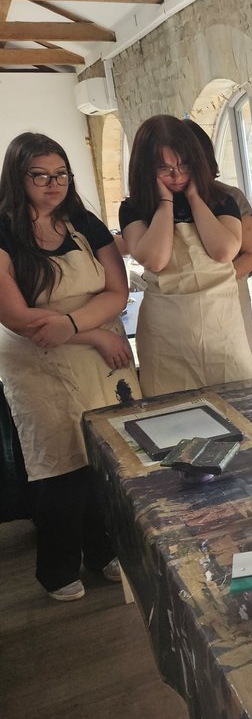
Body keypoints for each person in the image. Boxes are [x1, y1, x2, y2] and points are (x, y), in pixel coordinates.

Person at [0, 132, 142, 601]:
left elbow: (117, 291)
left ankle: (105, 549)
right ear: (18, 178)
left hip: (100, 354)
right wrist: (90, 332)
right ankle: (57, 568)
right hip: (40, 358)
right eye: (40, 176)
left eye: (60, 174)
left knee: (108, 459)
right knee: (61, 465)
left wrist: (77, 324)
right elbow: (17, 316)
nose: (53, 184)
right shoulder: (4, 230)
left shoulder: (83, 221)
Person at [120, 115, 252, 395]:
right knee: (173, 407)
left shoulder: (222, 200)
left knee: (238, 400)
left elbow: (223, 251)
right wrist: (165, 203)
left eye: (184, 165)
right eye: (165, 168)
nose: (177, 175)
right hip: (166, 331)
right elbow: (156, 260)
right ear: (145, 168)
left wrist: (195, 199)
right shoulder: (134, 208)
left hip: (220, 323)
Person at [185, 119, 252, 367]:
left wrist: (212, 283)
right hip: (182, 301)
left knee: (235, 363)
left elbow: (251, 254)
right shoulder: (160, 203)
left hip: (229, 293)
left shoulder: (230, 197)